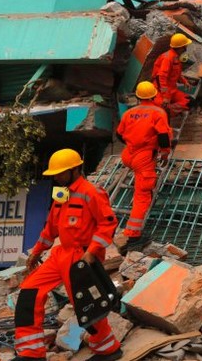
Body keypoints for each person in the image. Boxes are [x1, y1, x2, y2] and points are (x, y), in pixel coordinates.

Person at [13, 149, 121, 361]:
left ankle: (109, 349)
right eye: (55, 174)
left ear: (75, 170)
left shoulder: (92, 192)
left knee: (87, 305)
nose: (56, 177)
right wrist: (36, 253)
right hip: (60, 255)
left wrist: (91, 254)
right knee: (29, 291)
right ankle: (31, 353)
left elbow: (108, 224)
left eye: (60, 173)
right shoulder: (62, 195)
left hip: (81, 258)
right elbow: (50, 230)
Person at [116, 81, 173, 255]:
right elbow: (163, 136)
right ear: (155, 95)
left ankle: (132, 234)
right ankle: (133, 237)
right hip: (144, 157)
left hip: (129, 154)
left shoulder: (129, 113)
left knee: (140, 192)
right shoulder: (158, 112)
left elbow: (119, 134)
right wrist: (164, 153)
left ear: (138, 97)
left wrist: (134, 144)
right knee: (142, 197)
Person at [151, 33, 193, 115]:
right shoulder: (168, 58)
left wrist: (184, 81)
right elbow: (161, 77)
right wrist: (166, 96)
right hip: (160, 91)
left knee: (189, 101)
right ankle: (168, 111)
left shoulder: (175, 56)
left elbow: (177, 72)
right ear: (181, 47)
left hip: (172, 90)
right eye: (186, 45)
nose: (187, 47)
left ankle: (170, 109)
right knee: (162, 108)